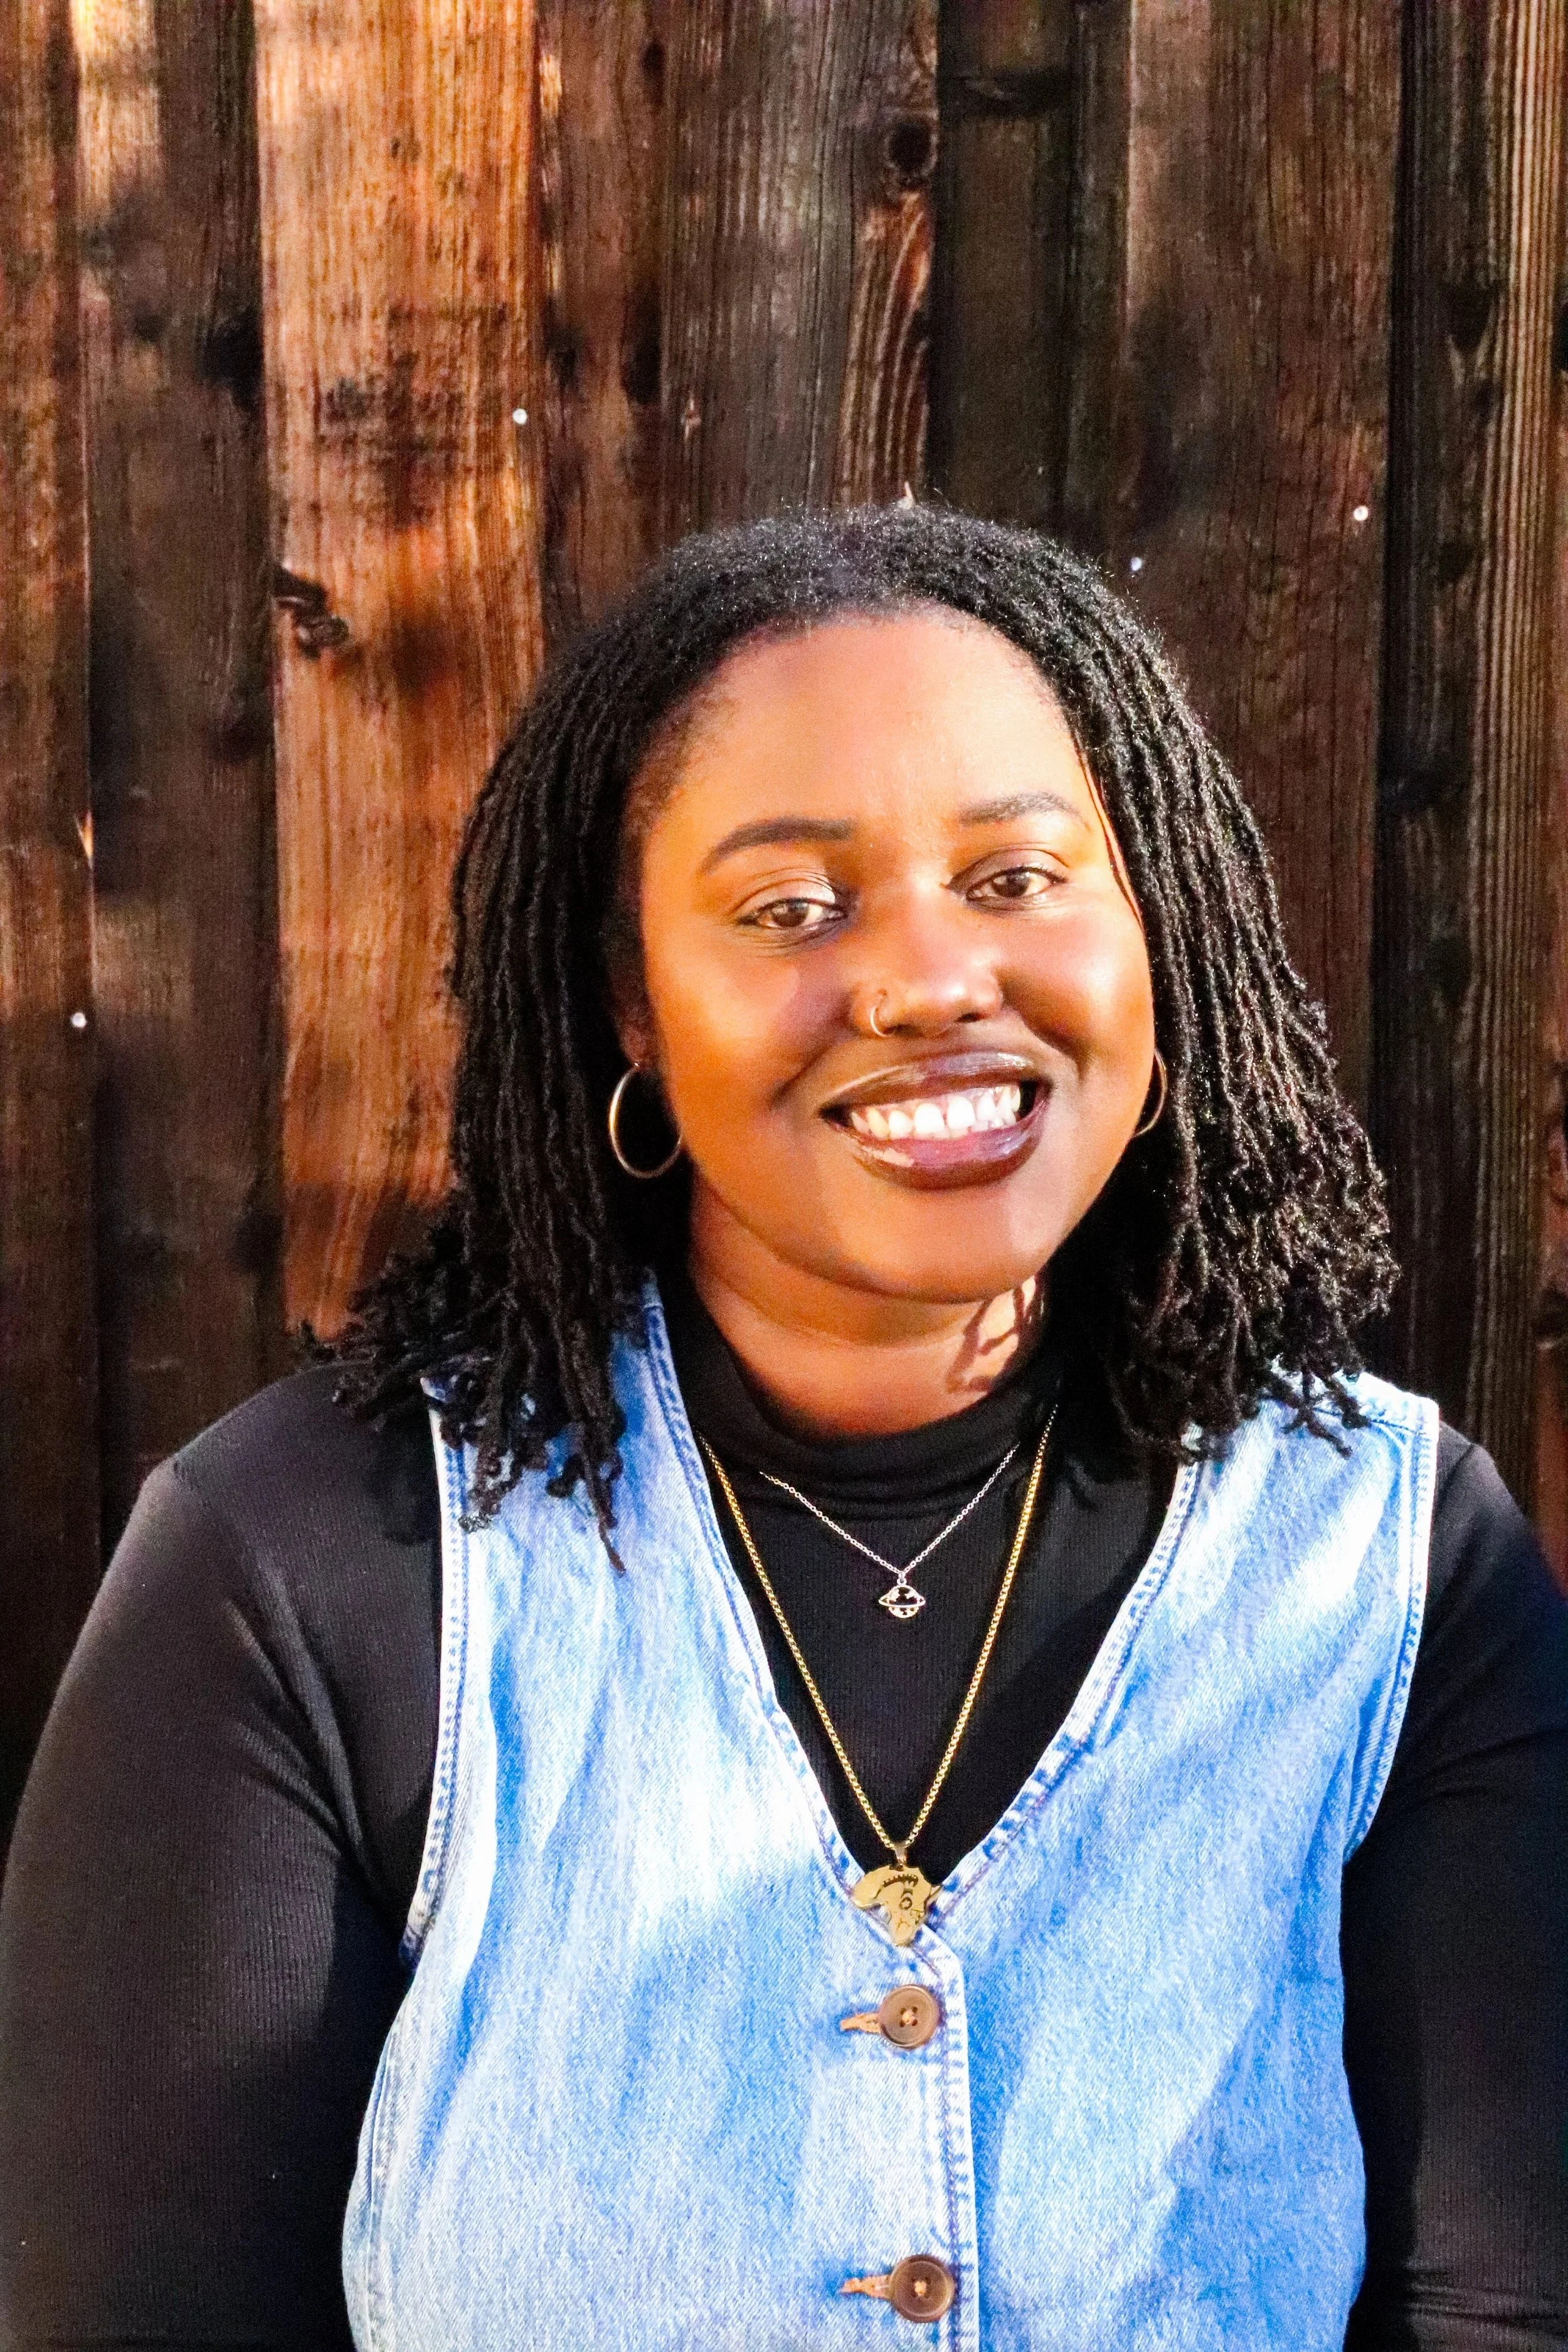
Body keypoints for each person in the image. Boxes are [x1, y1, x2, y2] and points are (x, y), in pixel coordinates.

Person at [1, 507, 1564, 2351]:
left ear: (1161, 938)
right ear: (631, 1013)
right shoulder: (308, 1567)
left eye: (1016, 875)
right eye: (792, 908)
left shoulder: (1386, 1567)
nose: (929, 980)